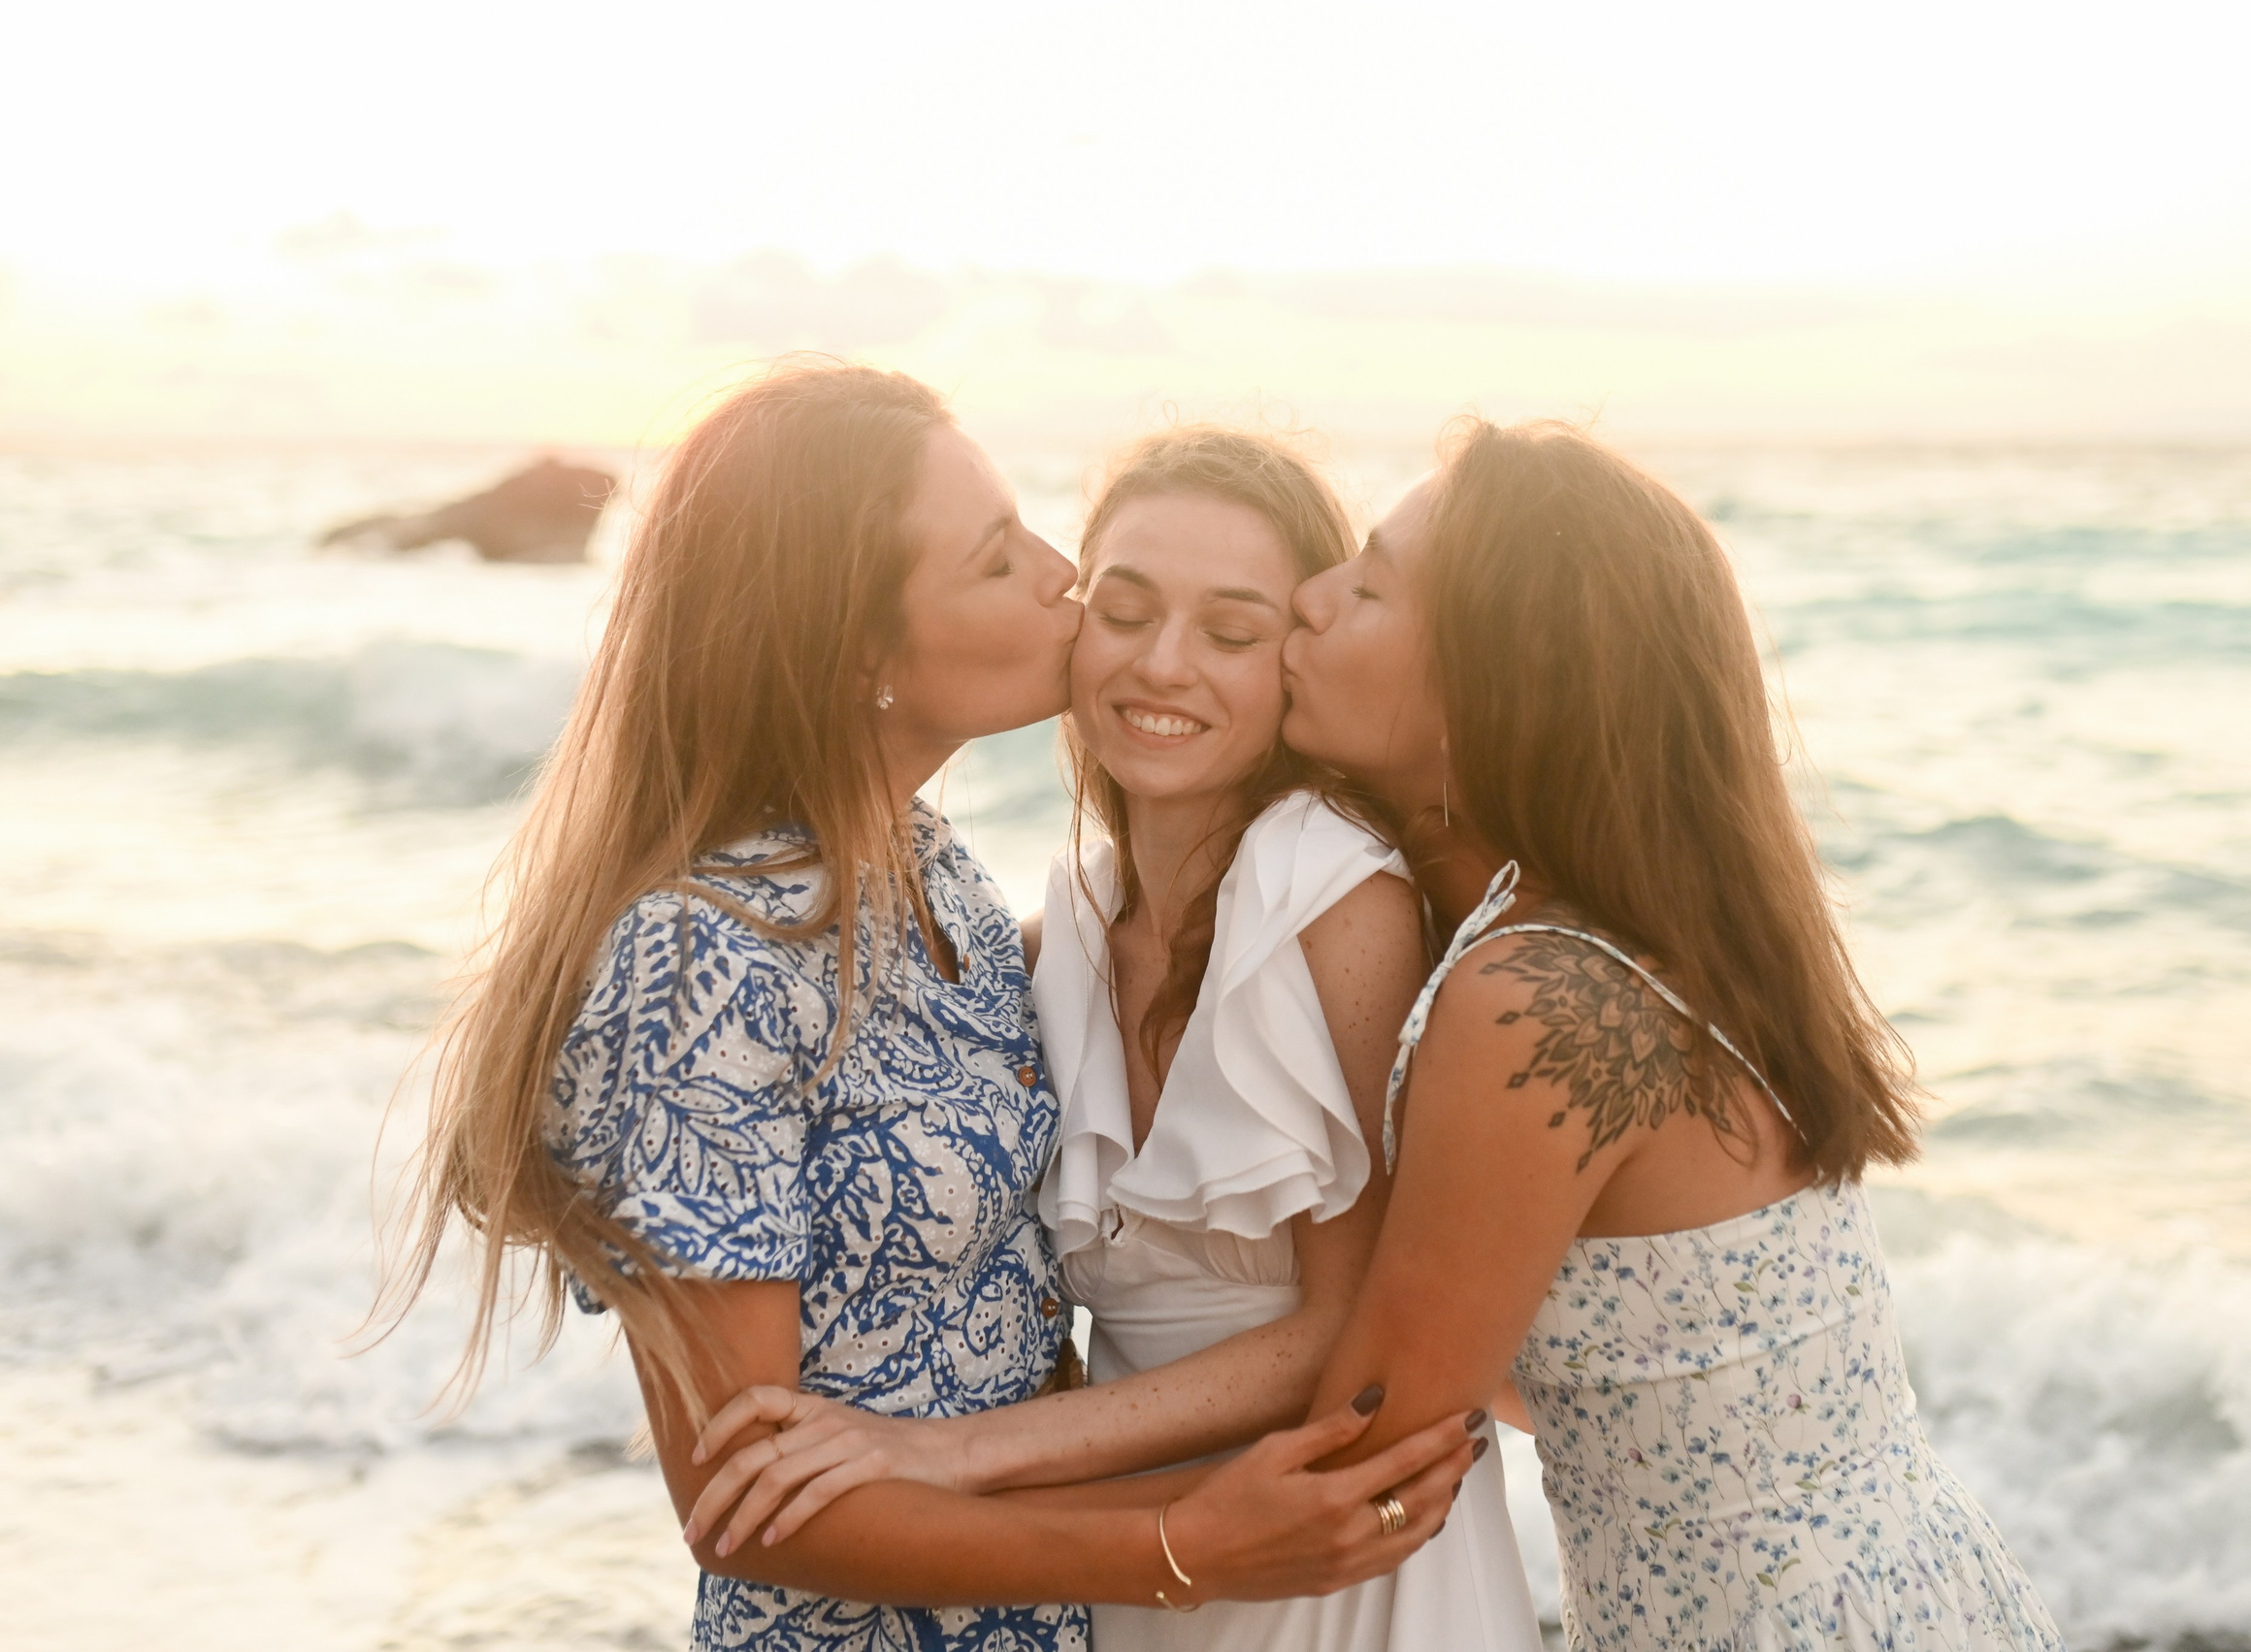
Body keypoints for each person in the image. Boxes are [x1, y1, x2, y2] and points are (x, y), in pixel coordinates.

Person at [386, 362, 1484, 1652]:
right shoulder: (698, 961)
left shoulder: (943, 884)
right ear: (859, 644)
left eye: (1032, 528)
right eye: (995, 556)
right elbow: (747, 1502)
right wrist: (1175, 1543)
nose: (1058, 576)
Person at [681, 428, 1540, 1652]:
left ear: (1293, 662)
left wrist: (949, 1456)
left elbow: (1351, 1337)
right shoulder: (1049, 931)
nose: (1165, 664)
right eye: (1124, 609)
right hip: (1136, 1575)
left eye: (1232, 633)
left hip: (1332, 1560)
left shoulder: (1336, 894)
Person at [1281, 419, 2065, 1651]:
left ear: (1493, 689)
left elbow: (1374, 1445)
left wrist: (967, 1481)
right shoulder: (1647, 939)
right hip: (1907, 1592)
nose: (1308, 600)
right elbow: (1627, 1359)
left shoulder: (1540, 997)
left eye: (1367, 584)